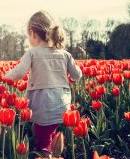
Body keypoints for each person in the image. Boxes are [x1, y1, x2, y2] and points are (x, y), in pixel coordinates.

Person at [4, 10, 82, 158]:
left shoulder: (32, 53)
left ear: (33, 33)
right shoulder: (65, 54)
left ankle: (46, 155)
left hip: (42, 105)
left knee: (43, 143)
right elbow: (77, 75)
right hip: (62, 105)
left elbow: (19, 73)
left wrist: (7, 75)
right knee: (52, 134)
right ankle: (55, 153)